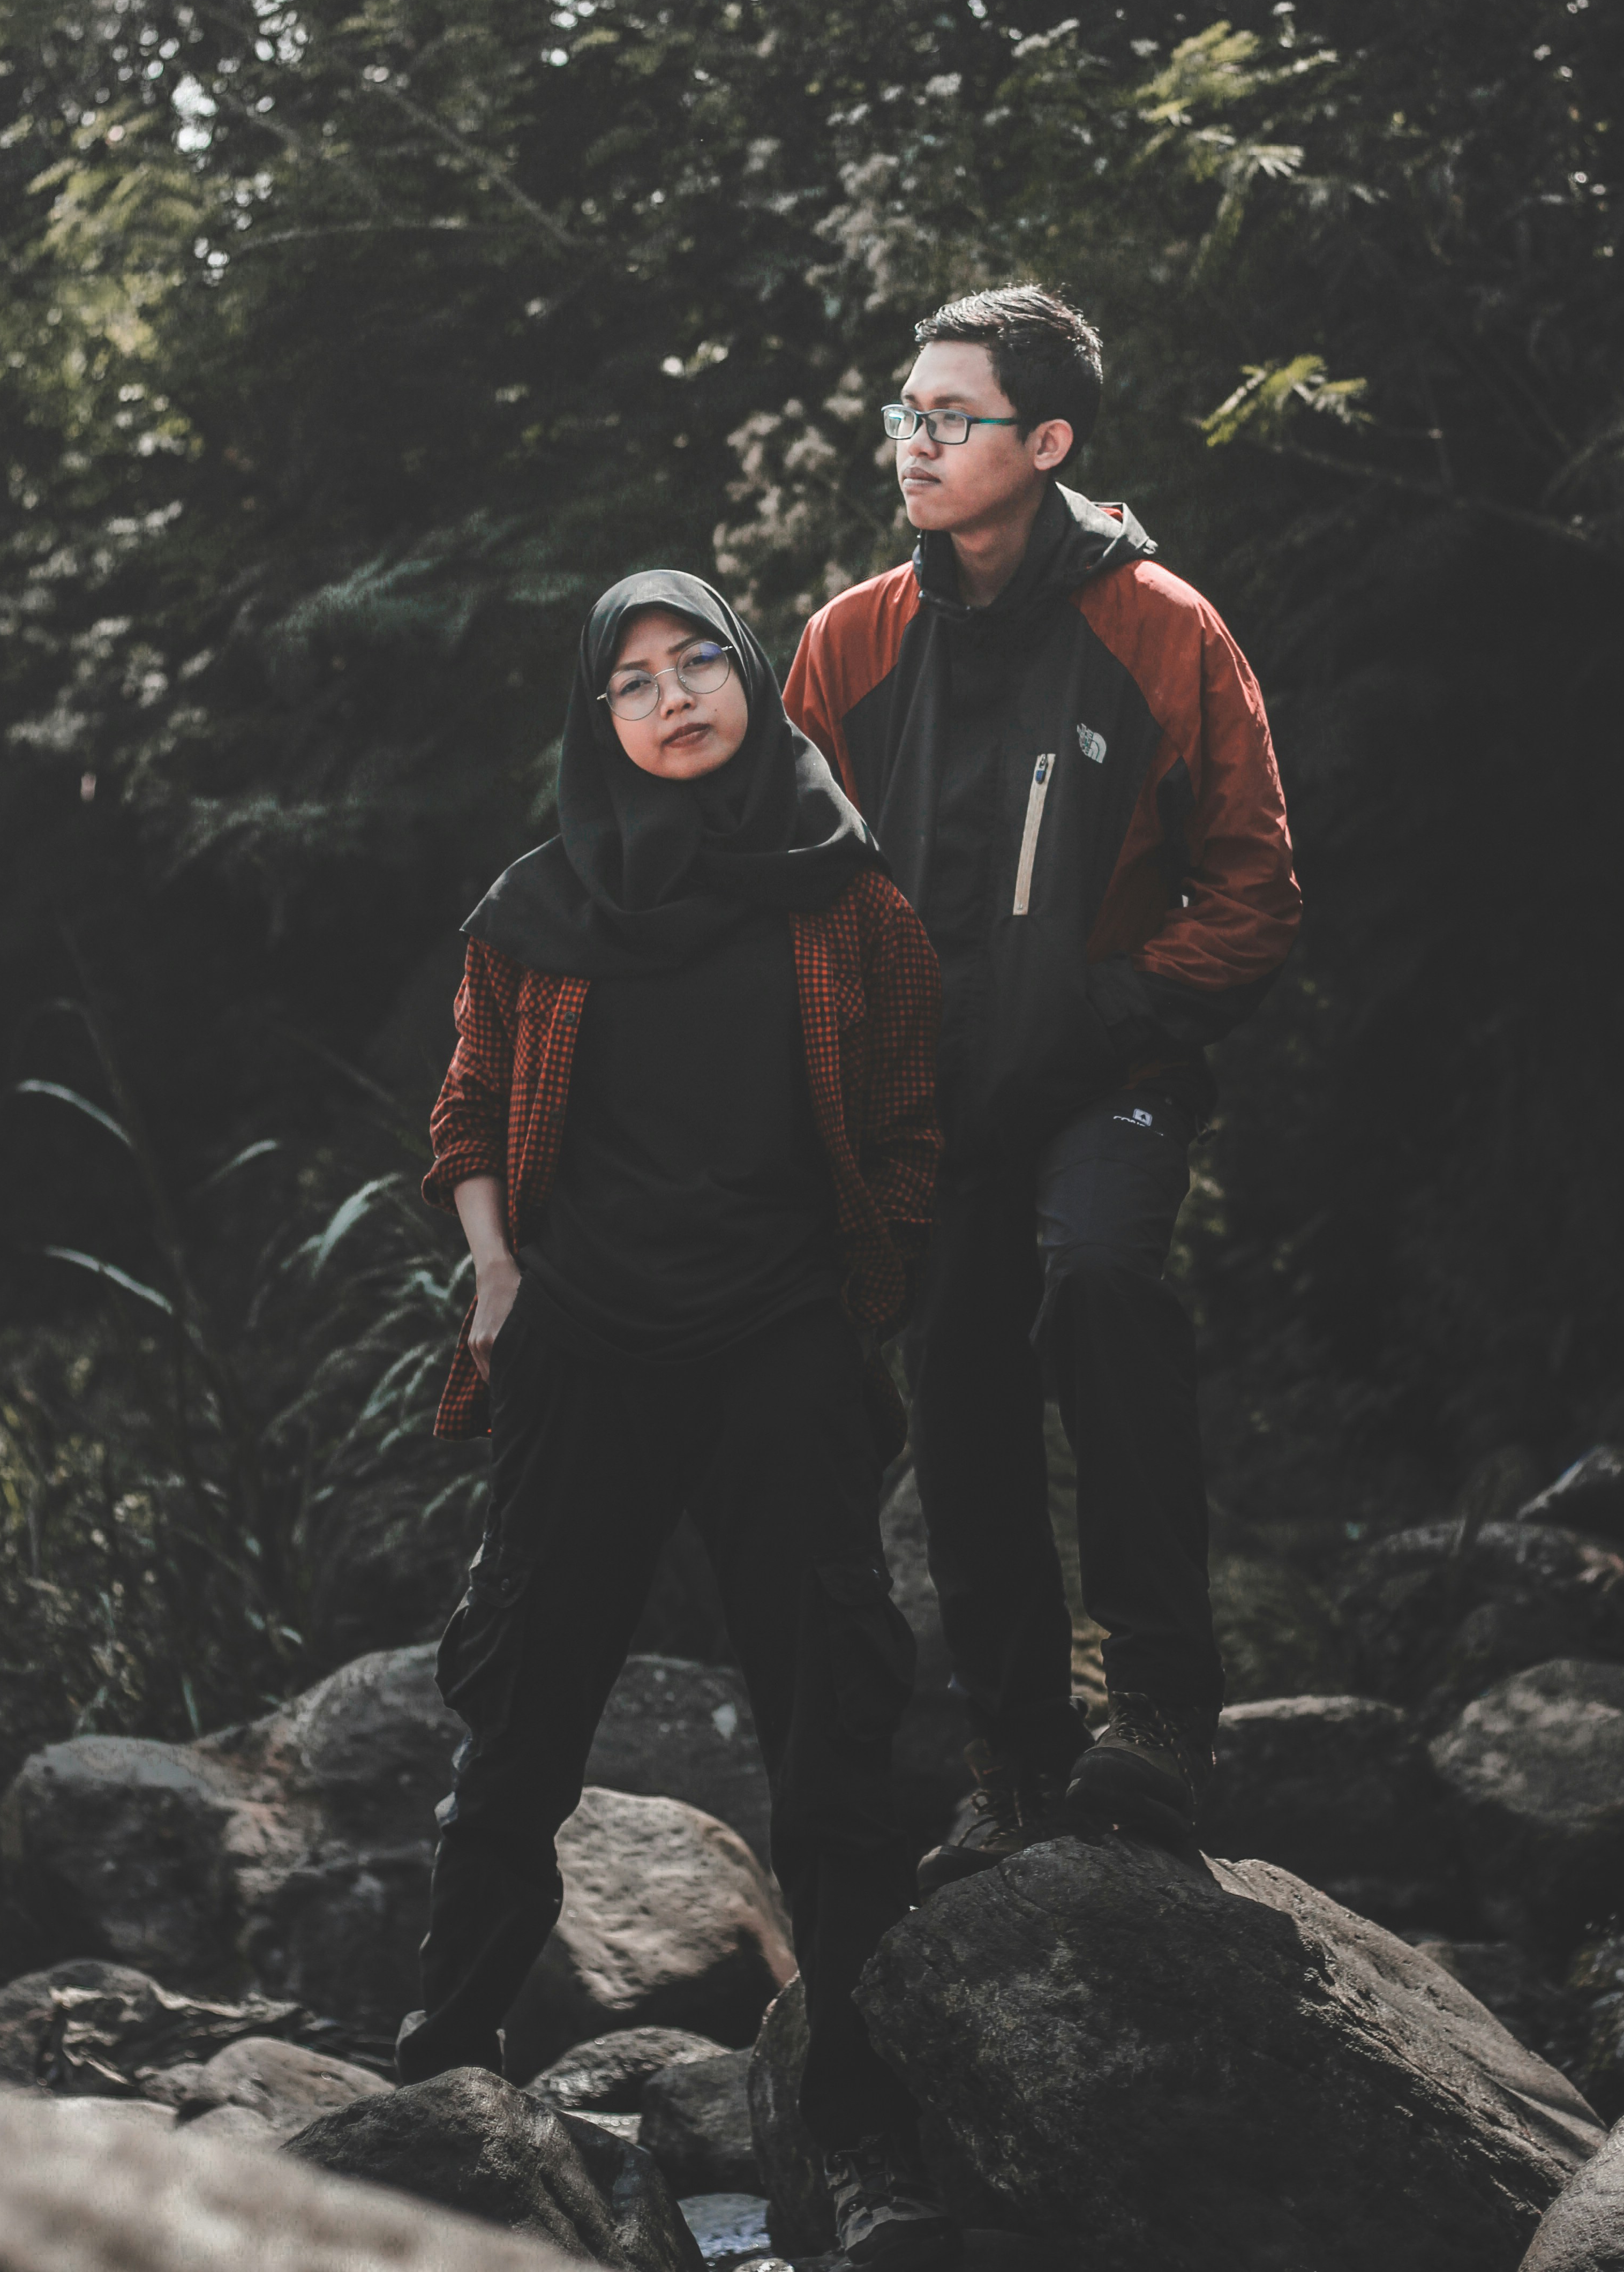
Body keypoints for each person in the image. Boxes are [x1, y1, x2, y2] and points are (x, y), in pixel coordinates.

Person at [406, 570, 958, 2271]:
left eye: (693, 660)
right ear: (600, 722)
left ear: (745, 672)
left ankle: (862, 2110)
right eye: (629, 682)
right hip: (584, 1349)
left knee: (831, 1706)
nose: (668, 698)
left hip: (780, 1343)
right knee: (524, 1698)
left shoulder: (847, 897)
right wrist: (499, 1274)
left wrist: (867, 1294)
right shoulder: (534, 908)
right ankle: (443, 2074)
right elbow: (469, 1115)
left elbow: (916, 1116)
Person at [783, 287, 1302, 1888]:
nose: (915, 445)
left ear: (1049, 442)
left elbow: (1258, 894)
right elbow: (783, 896)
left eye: (953, 419)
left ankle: (1156, 1713)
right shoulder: (853, 642)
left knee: (1098, 1284)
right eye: (906, 417)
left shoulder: (1163, 628)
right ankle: (1014, 1761)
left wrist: (1101, 1013)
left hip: (1110, 1078)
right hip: (929, 1113)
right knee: (960, 1399)